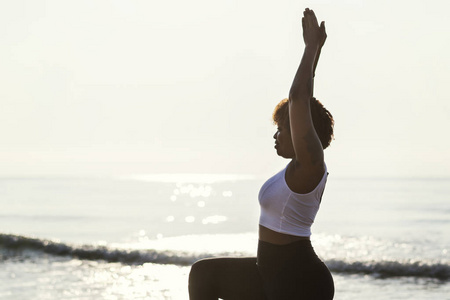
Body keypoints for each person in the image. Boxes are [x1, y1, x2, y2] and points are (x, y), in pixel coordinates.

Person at [188, 8, 335, 300]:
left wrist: (310, 48)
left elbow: (299, 99)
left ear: (301, 131)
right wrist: (314, 56)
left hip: (299, 279)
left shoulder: (310, 166)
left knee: (205, 276)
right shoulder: (297, 167)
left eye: (281, 128)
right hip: (268, 271)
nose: (275, 134)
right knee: (204, 274)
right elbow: (304, 98)